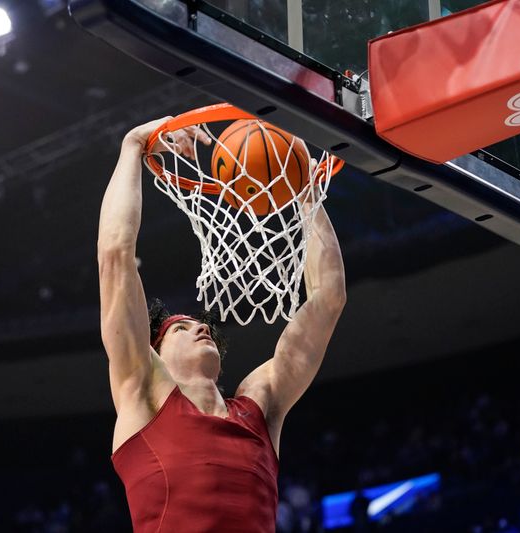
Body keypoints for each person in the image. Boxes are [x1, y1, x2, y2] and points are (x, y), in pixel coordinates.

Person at [97, 115, 346, 533]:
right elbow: (115, 256)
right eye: (180, 328)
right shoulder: (141, 392)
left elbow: (329, 296)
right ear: (154, 352)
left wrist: (304, 192)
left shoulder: (259, 405)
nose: (200, 328)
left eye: (202, 326)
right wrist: (133, 144)